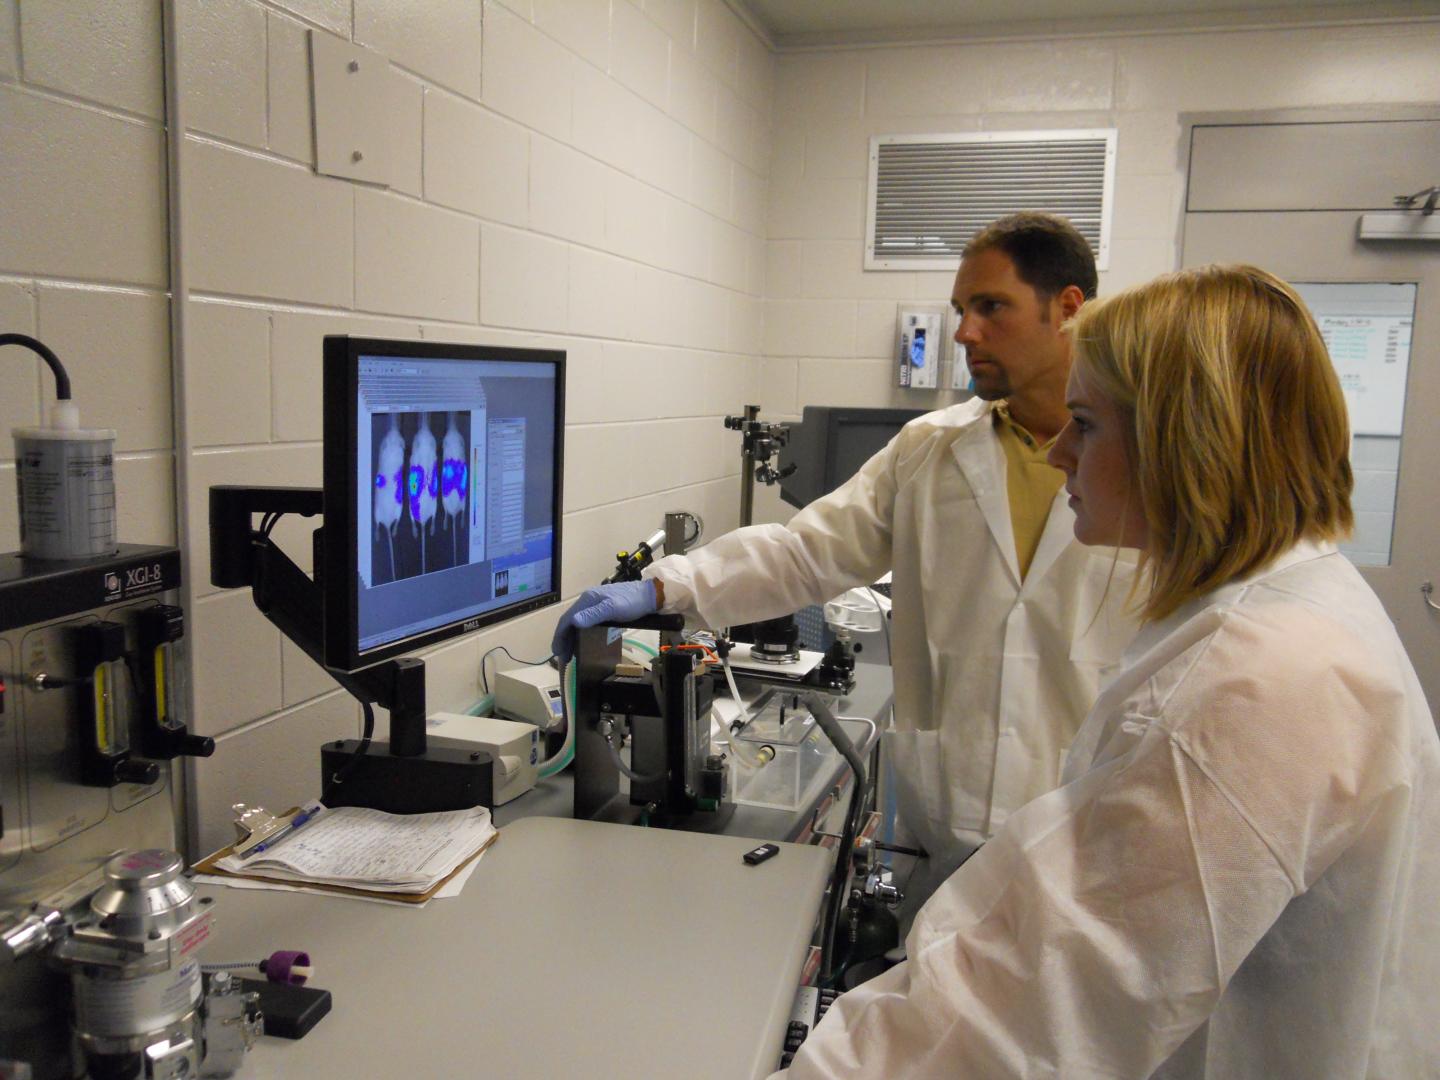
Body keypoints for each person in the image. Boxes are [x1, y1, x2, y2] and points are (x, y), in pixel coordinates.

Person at [772, 265, 1440, 1078]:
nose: (1057, 452)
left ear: (1186, 440)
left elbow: (1030, 1020)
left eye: (1085, 424)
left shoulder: (1261, 681)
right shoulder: (1287, 606)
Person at [552, 213, 1140, 904]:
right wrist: (663, 588)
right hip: (946, 825)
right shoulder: (930, 449)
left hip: (1089, 836)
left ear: (1068, 308)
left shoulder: (1148, 460)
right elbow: (806, 554)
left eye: (991, 307)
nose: (963, 332)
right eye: (960, 310)